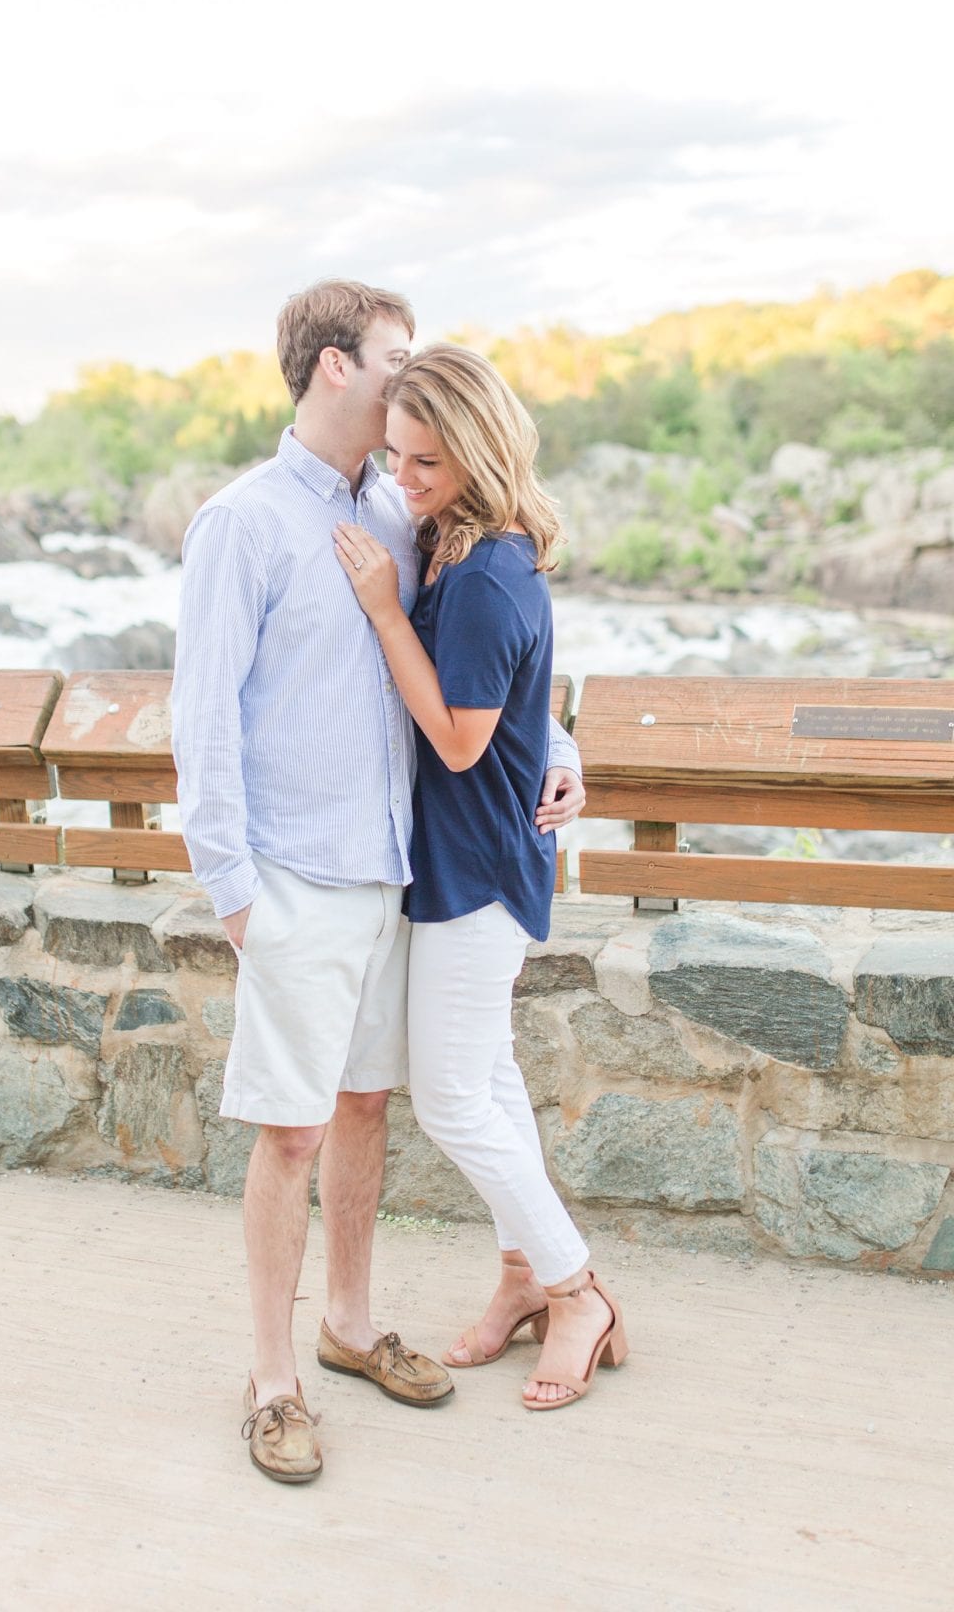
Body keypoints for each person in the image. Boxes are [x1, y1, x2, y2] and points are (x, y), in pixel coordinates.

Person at [172, 281, 586, 1482]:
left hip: (400, 876)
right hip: (296, 880)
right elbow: (202, 729)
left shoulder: (407, 511)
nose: (413, 379)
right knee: (291, 1134)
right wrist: (238, 898)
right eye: (396, 357)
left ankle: (348, 1330)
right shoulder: (242, 524)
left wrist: (560, 752)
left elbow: (490, 656)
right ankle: (272, 1380)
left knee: (364, 1112)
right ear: (334, 369)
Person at [333, 342, 628, 1411]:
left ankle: (575, 1289)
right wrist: (561, 748)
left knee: (453, 1099)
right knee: (491, 1083)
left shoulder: (490, 572)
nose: (402, 480)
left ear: (477, 451)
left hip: (481, 865)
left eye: (425, 463)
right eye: (396, 457)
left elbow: (460, 741)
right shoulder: (458, 547)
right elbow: (520, 706)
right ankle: (519, 1279)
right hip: (465, 858)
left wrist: (376, 607)